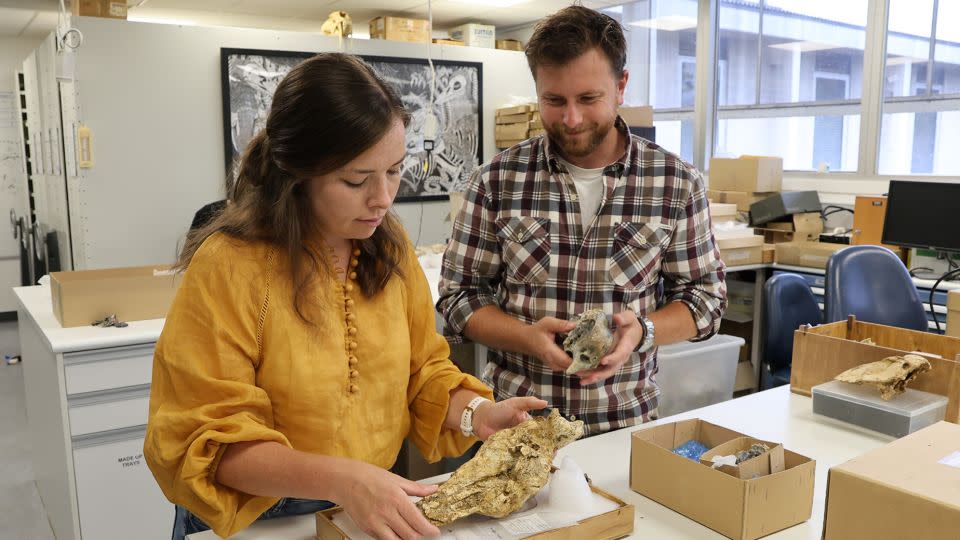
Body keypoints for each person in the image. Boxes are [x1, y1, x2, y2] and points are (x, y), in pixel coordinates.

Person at [144, 52, 547, 540]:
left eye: (395, 171)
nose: (382, 198)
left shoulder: (389, 248)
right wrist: (346, 479)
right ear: (297, 175)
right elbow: (205, 439)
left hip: (366, 504)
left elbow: (424, 372)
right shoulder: (231, 265)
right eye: (356, 180)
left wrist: (477, 414)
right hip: (254, 519)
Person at [438, 6, 727, 436]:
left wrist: (642, 331)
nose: (571, 120)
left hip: (624, 426)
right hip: (518, 427)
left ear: (621, 85)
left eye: (588, 99)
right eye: (554, 101)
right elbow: (459, 297)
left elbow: (706, 300)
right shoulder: (497, 180)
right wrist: (526, 337)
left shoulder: (676, 183)